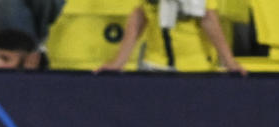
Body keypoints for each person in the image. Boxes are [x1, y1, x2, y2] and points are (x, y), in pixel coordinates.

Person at [96, 1, 244, 74]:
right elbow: (140, 14)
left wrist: (229, 62)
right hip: (153, 65)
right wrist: (119, 62)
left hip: (195, 69)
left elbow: (208, 18)